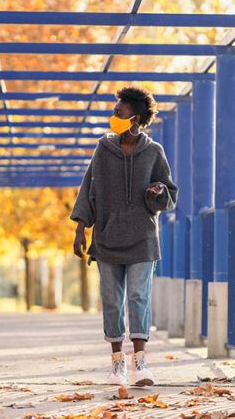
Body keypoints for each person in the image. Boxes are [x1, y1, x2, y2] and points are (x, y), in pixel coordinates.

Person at [70, 86, 177, 386]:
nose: (113, 116)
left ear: (136, 118)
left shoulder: (154, 152)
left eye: (119, 112)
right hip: (106, 238)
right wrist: (81, 228)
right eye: (114, 111)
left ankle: (140, 363)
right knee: (112, 300)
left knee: (138, 296)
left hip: (143, 238)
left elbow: (170, 195)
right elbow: (87, 190)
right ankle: (117, 364)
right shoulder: (103, 149)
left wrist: (158, 192)